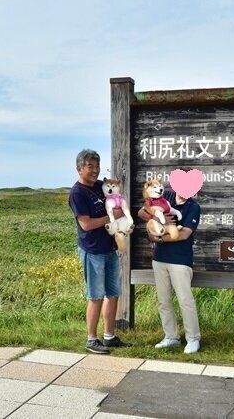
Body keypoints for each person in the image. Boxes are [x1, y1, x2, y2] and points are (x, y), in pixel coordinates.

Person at [68, 149, 131, 354]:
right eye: (90, 166)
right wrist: (112, 218)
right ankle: (91, 339)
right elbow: (86, 224)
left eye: (97, 166)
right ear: (79, 169)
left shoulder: (99, 186)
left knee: (113, 293)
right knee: (95, 296)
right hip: (93, 250)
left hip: (109, 247)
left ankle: (109, 336)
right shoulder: (77, 193)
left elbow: (115, 200)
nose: (95, 170)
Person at [138, 187, 202, 353]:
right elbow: (141, 212)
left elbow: (184, 234)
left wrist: (158, 238)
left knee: (185, 301)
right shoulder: (165, 196)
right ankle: (171, 337)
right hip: (159, 259)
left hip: (180, 260)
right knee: (164, 301)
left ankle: (193, 339)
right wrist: (155, 218)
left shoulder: (193, 207)